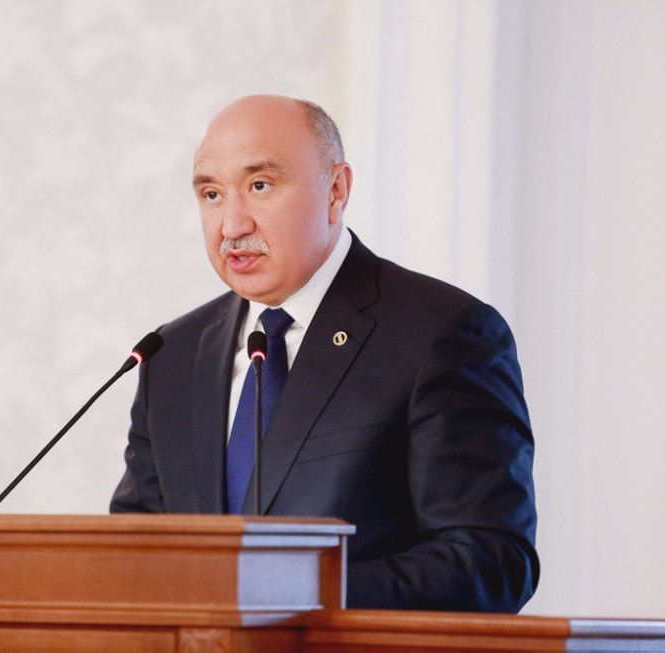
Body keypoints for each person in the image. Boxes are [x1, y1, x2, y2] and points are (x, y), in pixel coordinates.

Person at [110, 95, 539, 612]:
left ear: (336, 191)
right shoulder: (171, 354)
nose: (232, 225)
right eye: (212, 194)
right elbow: (135, 556)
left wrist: (296, 594)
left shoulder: (440, 333)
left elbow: (490, 561)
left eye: (260, 185)